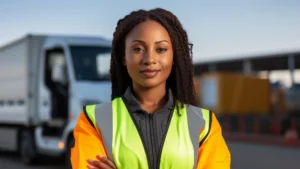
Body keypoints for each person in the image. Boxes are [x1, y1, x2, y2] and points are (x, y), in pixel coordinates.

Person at [70, 8, 231, 169]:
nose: (149, 59)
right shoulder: (93, 120)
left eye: (161, 49)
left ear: (174, 56)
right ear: (124, 57)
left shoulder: (205, 124)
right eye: (138, 49)